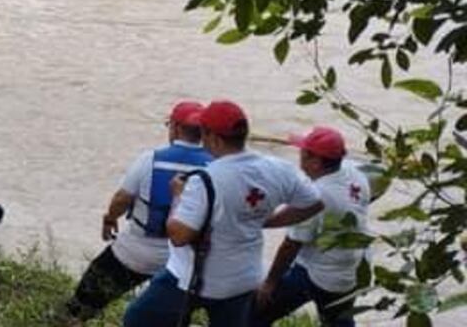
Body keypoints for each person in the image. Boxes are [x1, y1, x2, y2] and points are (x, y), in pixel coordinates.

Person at [122, 100, 324, 327]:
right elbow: (314, 203)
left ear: (213, 138)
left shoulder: (206, 180)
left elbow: (179, 235)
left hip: (193, 280)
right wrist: (264, 222)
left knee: (137, 319)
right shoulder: (278, 169)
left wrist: (178, 196)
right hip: (243, 279)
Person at [64, 101, 212, 322]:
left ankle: (71, 320)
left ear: (176, 128)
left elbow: (123, 198)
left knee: (84, 300)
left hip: (136, 252)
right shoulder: (215, 166)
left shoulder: (150, 159)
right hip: (183, 262)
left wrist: (109, 218)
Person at [254, 127, 371, 327]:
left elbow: (290, 245)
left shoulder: (317, 196)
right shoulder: (354, 172)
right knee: (338, 319)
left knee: (257, 313)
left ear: (316, 162)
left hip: (319, 273)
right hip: (355, 267)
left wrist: (269, 284)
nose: (299, 156)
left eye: (303, 153)